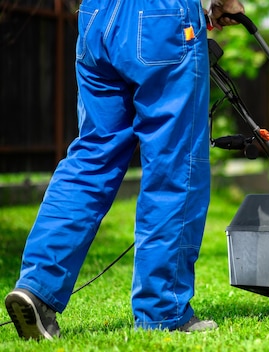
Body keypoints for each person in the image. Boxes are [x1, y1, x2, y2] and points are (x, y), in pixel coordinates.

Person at [4, 0, 244, 340]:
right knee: (174, 166)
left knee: (92, 156)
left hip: (96, 17)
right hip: (161, 17)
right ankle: (163, 311)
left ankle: (37, 289)